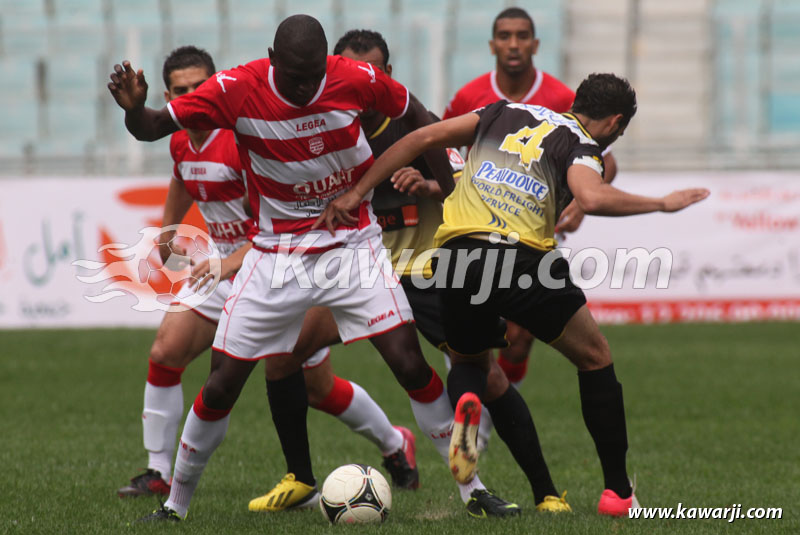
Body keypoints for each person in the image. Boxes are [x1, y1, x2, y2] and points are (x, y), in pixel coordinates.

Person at [108, 15, 459, 523]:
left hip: (315, 249)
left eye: (314, 75)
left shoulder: (324, 89)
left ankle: (442, 471)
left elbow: (420, 118)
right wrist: (138, 113)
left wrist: (449, 191)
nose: (306, 87)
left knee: (363, 368)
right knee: (197, 369)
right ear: (272, 60)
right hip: (253, 260)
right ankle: (169, 490)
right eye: (295, 76)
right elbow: (165, 153)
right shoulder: (211, 114)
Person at [316, 73, 710, 516]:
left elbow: (423, 135)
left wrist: (357, 192)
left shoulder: (501, 112)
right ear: (615, 122)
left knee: (469, 360)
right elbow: (592, 198)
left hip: (454, 254)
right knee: (595, 356)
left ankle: (467, 402)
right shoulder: (580, 143)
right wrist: (661, 203)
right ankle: (617, 493)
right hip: (521, 260)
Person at [443, 6, 619, 386]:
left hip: (532, 231)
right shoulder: (469, 95)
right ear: (492, 44)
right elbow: (444, 151)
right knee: (473, 337)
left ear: (536, 44)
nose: (513, 44)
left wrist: (579, 207)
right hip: (475, 229)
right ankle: (487, 418)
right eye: (505, 36)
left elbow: (604, 160)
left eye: (522, 36)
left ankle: (487, 415)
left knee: (519, 339)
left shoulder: (560, 97)